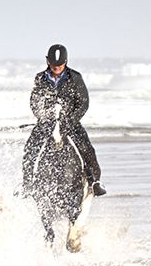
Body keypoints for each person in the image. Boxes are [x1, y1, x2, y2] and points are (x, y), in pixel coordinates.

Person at [28, 43, 106, 196]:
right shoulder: (40, 78)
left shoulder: (75, 78)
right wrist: (42, 116)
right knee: (30, 148)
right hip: (46, 123)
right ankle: (27, 182)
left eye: (60, 65)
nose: (56, 68)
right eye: (53, 65)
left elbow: (83, 103)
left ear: (66, 61)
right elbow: (34, 102)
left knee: (86, 148)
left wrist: (71, 119)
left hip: (70, 123)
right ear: (47, 61)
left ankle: (95, 181)